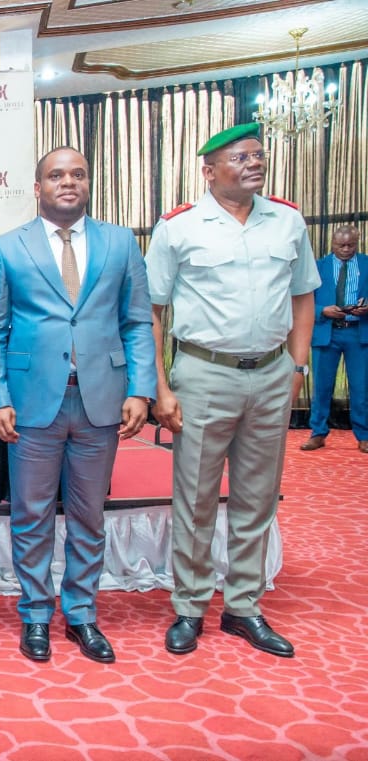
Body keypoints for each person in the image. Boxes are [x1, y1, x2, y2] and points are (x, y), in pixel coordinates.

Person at [146, 122, 318, 658]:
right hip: (204, 374)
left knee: (257, 496)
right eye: (240, 157)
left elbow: (303, 298)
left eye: (258, 155)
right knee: (195, 497)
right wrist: (159, 386)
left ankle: (244, 605)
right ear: (209, 170)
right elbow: (152, 311)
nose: (254, 163)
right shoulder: (178, 227)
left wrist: (296, 368)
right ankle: (191, 605)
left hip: (271, 373)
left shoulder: (287, 221)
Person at [0, 147, 156, 664]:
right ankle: (36, 614)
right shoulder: (6, 247)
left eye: (78, 174)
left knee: (88, 514)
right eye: (56, 175)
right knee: (31, 515)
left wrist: (140, 390)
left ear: (88, 183)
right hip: (33, 404)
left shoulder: (120, 243)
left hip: (100, 401)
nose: (68, 182)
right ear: (37, 188)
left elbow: (137, 322)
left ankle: (81, 613)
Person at [302, 225, 368, 453]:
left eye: (351, 245)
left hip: (358, 332)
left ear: (358, 242)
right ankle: (317, 433)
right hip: (327, 333)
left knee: (361, 388)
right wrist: (322, 310)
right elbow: (303, 301)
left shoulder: (366, 264)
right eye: (341, 245)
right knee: (321, 387)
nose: (346, 249)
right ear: (332, 243)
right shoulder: (318, 267)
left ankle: (364, 436)